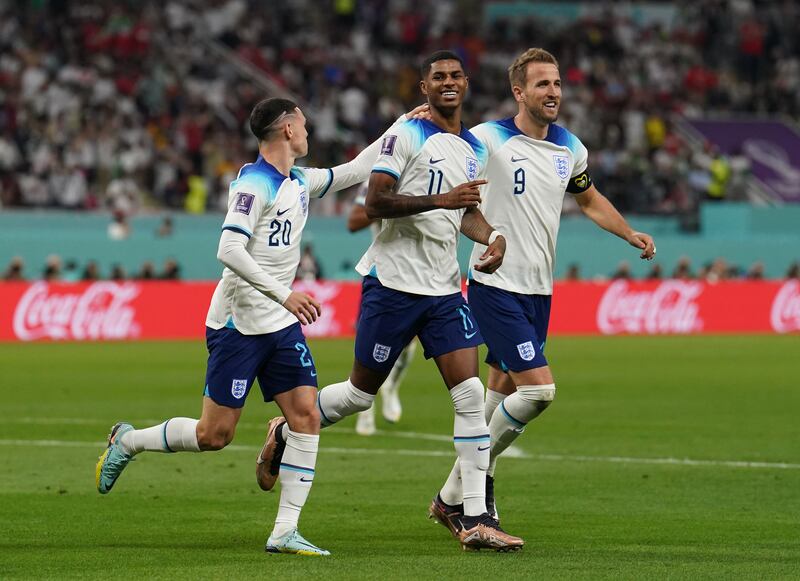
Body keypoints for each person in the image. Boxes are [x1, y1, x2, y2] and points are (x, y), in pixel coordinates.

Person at [96, 97, 426, 557]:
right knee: (215, 436)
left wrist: (401, 127)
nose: (309, 131)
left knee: (307, 415)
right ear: (288, 129)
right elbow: (228, 250)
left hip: (279, 326)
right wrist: (285, 294)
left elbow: (355, 169)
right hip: (238, 324)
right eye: (304, 124)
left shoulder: (299, 181)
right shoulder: (254, 184)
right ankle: (128, 440)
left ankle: (284, 531)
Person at [259, 50, 524, 552]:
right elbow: (374, 201)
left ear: (466, 83)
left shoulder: (470, 148)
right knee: (360, 395)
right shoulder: (407, 136)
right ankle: (287, 426)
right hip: (393, 286)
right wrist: (440, 200)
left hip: (444, 290)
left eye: (455, 76)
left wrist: (492, 237)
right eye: (437, 77)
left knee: (469, 396)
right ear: (424, 86)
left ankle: (473, 519)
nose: (448, 83)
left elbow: (464, 212)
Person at [429, 48, 656, 535]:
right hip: (495, 284)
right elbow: (444, 155)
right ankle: (476, 483)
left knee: (503, 390)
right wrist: (416, 121)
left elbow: (589, 199)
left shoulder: (569, 148)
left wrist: (628, 232)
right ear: (519, 92)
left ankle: (451, 498)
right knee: (540, 391)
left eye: (557, 84)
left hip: (538, 290)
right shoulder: (488, 138)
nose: (553, 92)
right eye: (542, 85)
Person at [347, 183, 415, 436]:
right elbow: (353, 222)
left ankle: (391, 388)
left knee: (408, 347)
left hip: (419, 273)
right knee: (369, 346)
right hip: (384, 274)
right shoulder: (377, 180)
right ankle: (365, 412)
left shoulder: (427, 171)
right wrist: (392, 203)